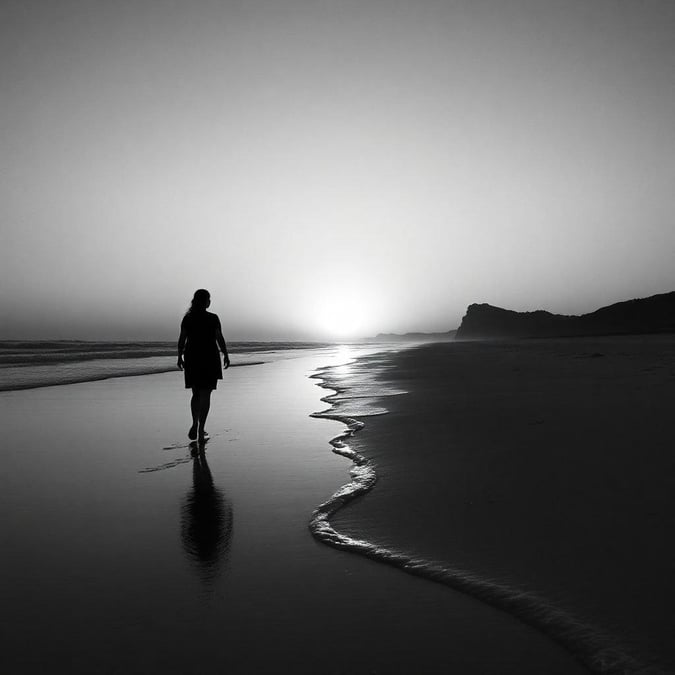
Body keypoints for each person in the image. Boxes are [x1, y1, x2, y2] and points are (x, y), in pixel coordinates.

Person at [177, 289, 230, 442]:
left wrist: (179, 356)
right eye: (209, 299)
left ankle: (194, 423)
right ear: (205, 301)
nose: (210, 301)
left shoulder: (188, 318)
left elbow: (182, 339)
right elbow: (219, 337)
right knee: (206, 394)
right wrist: (225, 354)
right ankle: (201, 429)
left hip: (192, 357)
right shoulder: (213, 318)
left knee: (196, 394)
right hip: (209, 358)